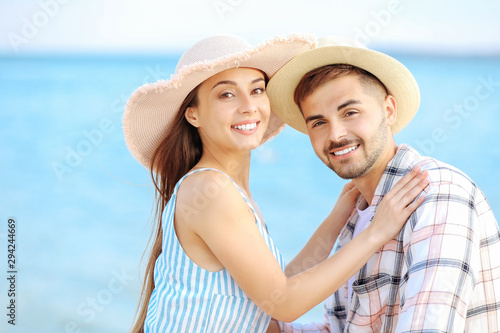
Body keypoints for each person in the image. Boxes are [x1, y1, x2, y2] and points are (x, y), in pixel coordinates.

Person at [123, 34, 429, 333]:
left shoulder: (226, 189)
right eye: (226, 94)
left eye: (257, 90)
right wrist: (377, 232)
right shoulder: (209, 191)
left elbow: (274, 288)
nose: (248, 106)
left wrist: (339, 216)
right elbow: (282, 302)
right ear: (193, 114)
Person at [266, 37, 500, 332]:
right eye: (318, 122)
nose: (336, 134)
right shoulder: (356, 217)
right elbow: (341, 327)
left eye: (350, 113)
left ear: (388, 110)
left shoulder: (436, 194)